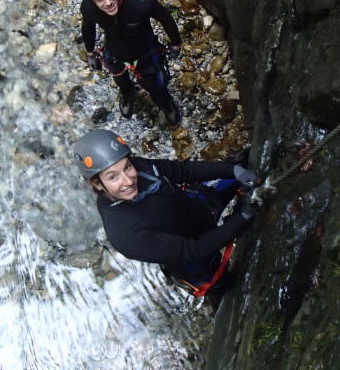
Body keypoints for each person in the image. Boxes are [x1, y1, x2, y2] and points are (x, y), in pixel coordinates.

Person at [73, 128, 260, 308]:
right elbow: (194, 250)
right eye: (113, 177)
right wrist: (241, 219)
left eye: (127, 167)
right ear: (97, 184)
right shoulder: (124, 234)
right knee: (223, 287)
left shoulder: (142, 169)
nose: (129, 180)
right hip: (193, 259)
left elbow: (183, 170)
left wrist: (234, 171)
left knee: (242, 166)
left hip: (199, 205)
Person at [79, 0, 183, 126]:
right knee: (120, 79)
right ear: (92, 0)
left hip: (145, 51)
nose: (108, 3)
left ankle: (166, 103)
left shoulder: (139, 1)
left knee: (156, 86)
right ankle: (127, 93)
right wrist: (91, 52)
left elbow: (165, 19)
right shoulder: (89, 8)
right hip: (114, 51)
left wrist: (176, 44)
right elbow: (88, 28)